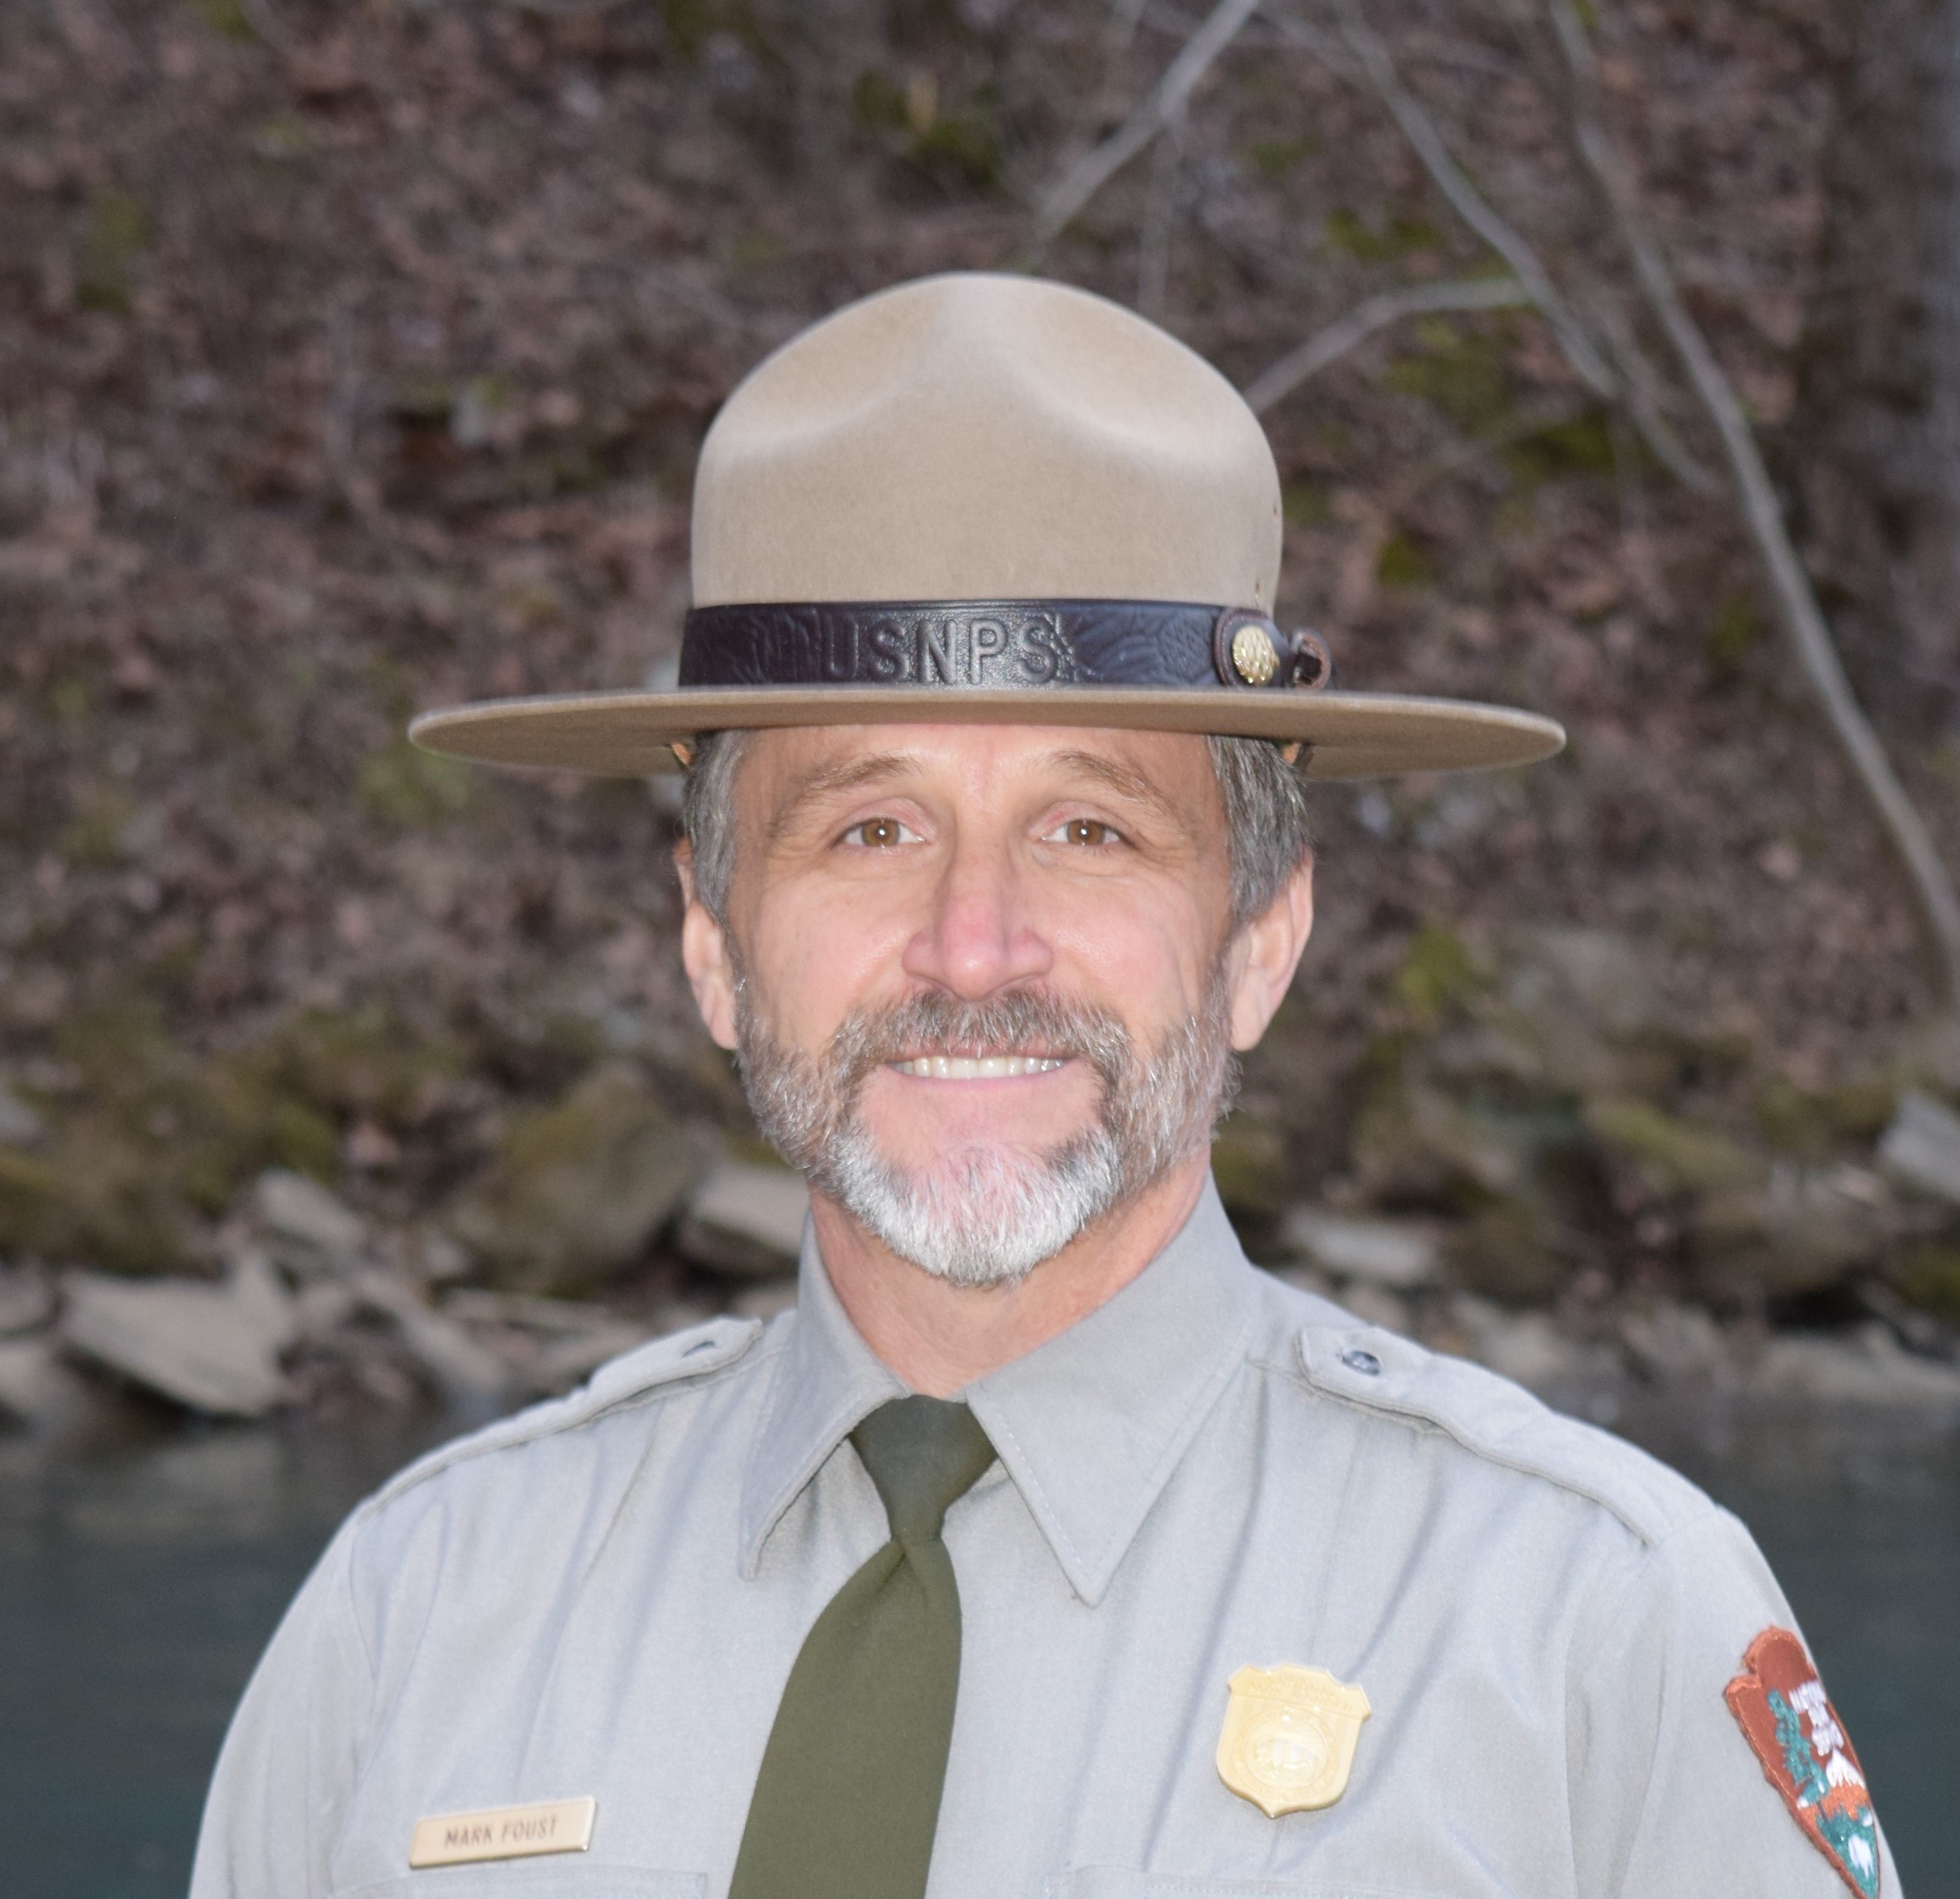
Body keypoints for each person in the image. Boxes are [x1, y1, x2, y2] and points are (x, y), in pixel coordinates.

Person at [191, 274, 1896, 1899]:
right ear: (714, 937)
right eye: (867, 827)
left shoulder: (1588, 1625)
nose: (973, 944)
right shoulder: (415, 1618)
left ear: (1259, 936)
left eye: (1090, 829)